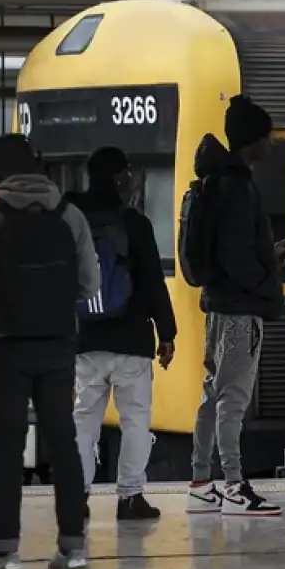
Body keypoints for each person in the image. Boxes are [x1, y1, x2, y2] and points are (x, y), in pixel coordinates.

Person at [0, 133, 100, 569]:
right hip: (58, 345)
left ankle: (6, 554)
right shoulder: (70, 215)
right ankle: (72, 552)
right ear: (40, 166)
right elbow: (90, 284)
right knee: (64, 443)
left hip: (4, 346)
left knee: (8, 447)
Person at [186, 95, 285, 517]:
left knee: (213, 395)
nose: (271, 143)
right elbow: (236, 257)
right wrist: (267, 282)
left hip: (220, 307)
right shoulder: (238, 186)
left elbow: (231, 250)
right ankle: (234, 485)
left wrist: (270, 256)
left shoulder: (219, 182)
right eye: (267, 137)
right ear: (253, 140)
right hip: (239, 313)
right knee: (232, 400)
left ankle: (200, 482)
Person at [67, 146, 178, 521]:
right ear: (118, 178)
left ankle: (77, 495)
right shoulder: (134, 223)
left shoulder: (72, 222)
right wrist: (167, 333)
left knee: (84, 419)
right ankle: (130, 497)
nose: (132, 181)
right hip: (131, 339)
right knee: (135, 420)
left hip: (85, 338)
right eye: (128, 174)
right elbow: (152, 283)